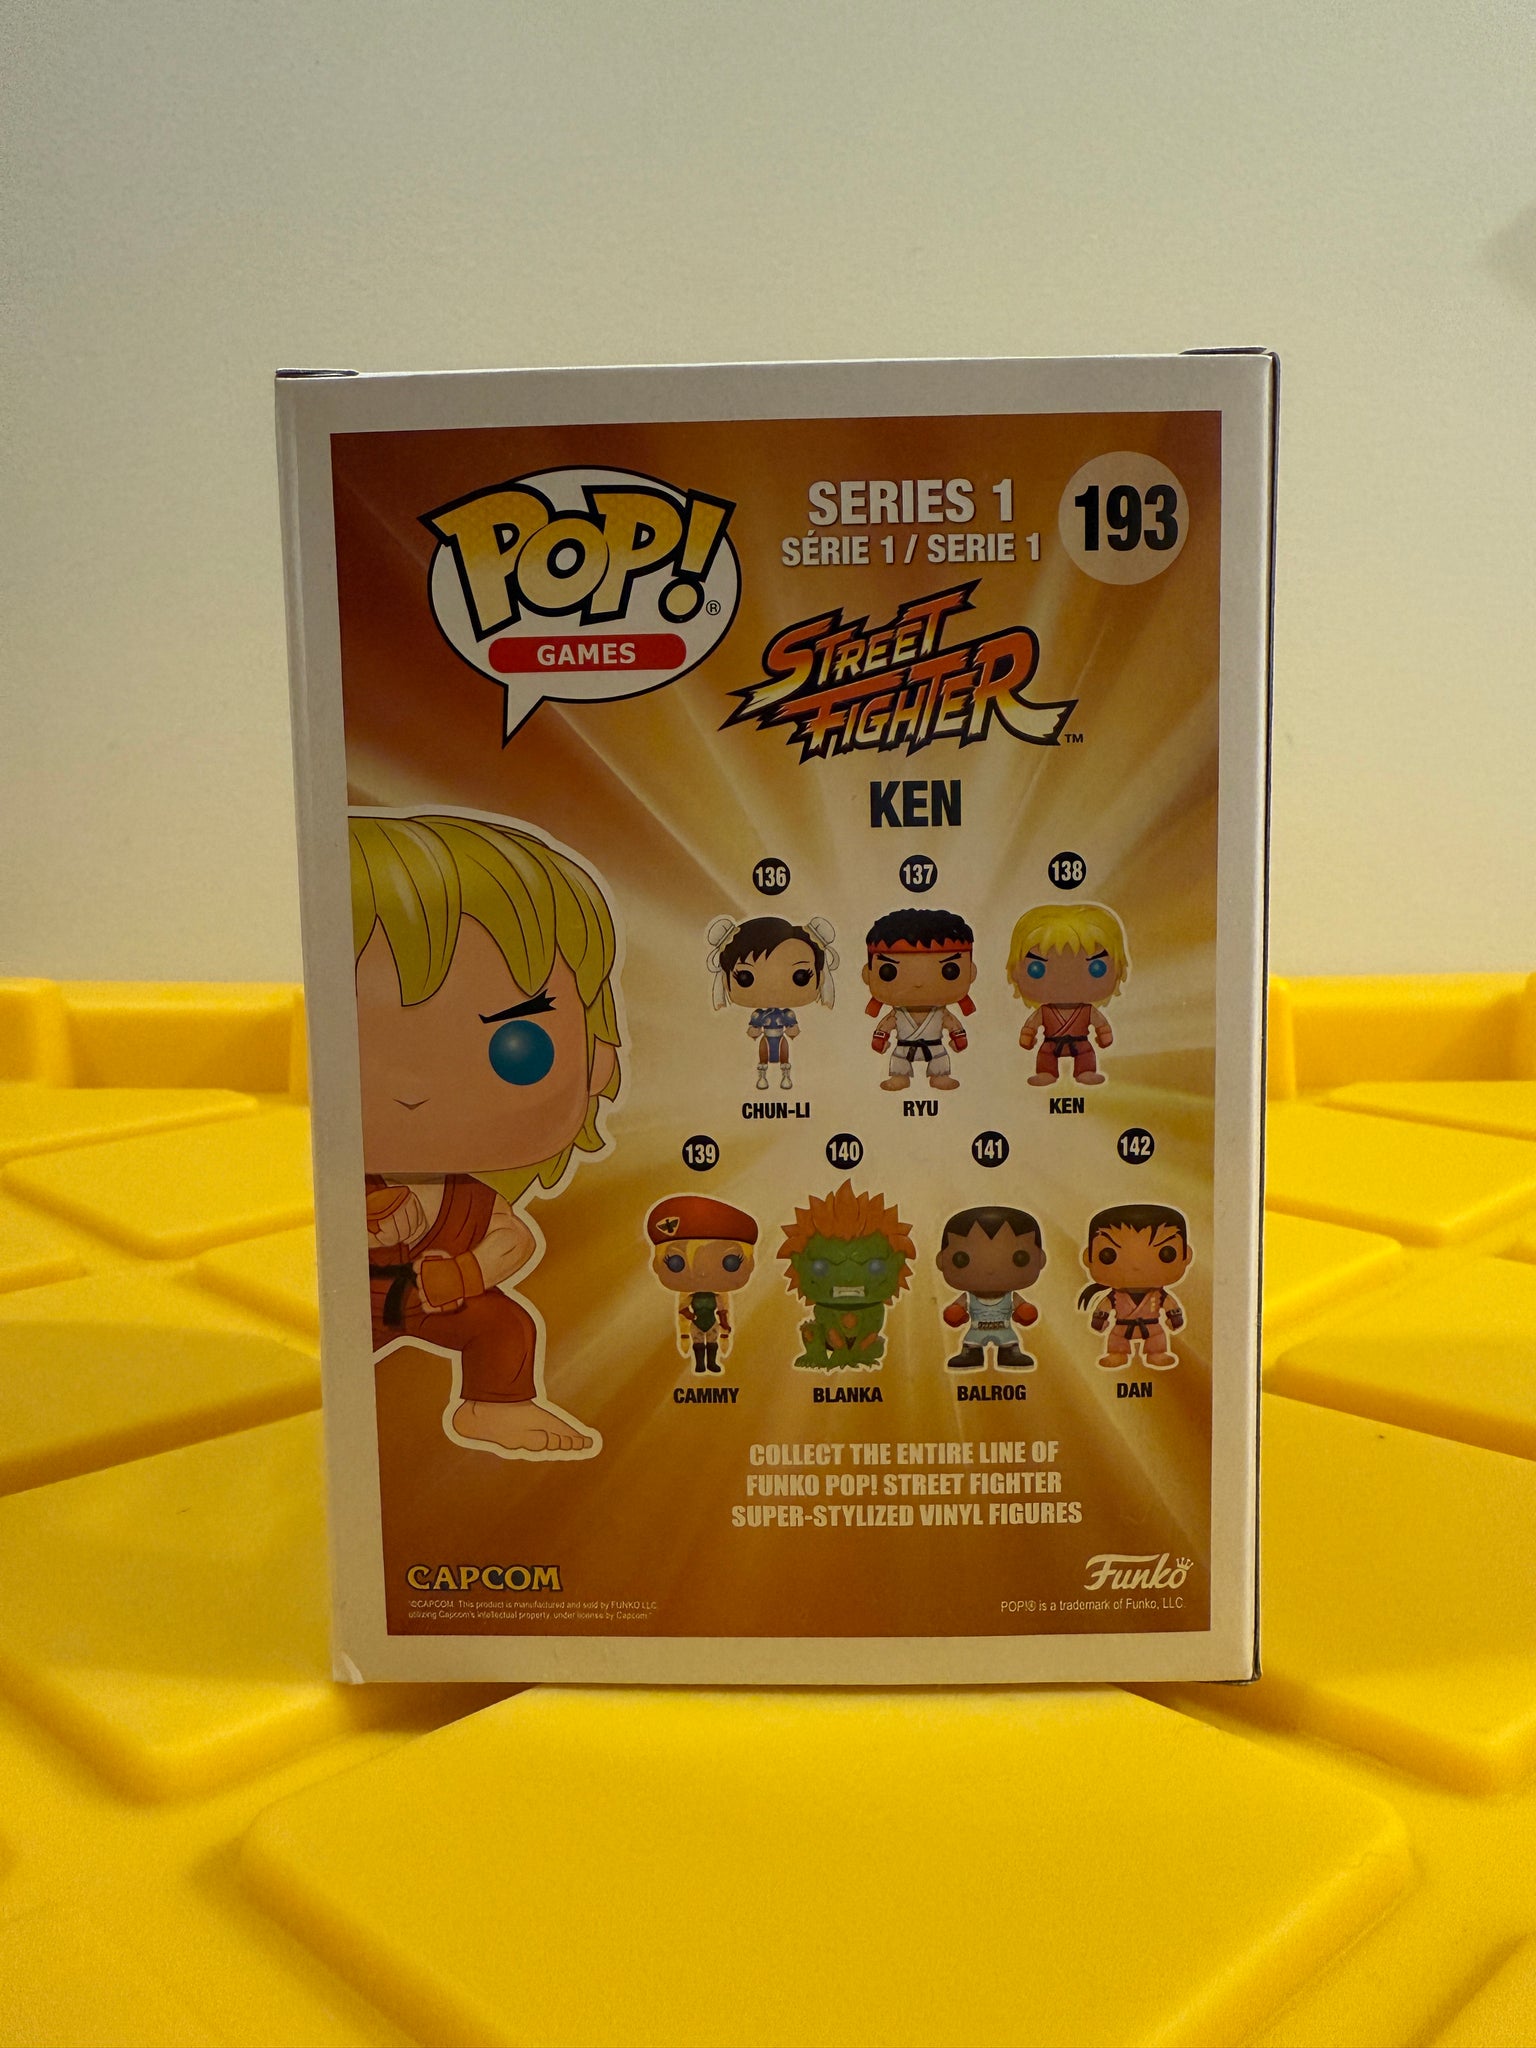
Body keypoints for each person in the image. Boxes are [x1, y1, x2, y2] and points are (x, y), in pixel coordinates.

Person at [352, 810, 621, 1457]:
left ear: (598, 1060)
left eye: (515, 1043)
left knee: (506, 1325)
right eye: (353, 1044)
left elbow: (513, 1239)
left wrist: (467, 1274)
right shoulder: (336, 1181)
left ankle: (496, 1405)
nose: (412, 1087)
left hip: (440, 1301)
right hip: (351, 1300)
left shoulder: (469, 1198)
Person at [706, 914, 836, 1091]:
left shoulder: (787, 1014)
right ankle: (763, 1077)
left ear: (820, 977)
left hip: (781, 1039)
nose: (774, 987)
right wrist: (754, 1030)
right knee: (763, 1055)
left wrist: (792, 1028)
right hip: (765, 1039)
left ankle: (785, 1076)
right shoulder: (758, 1014)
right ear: (725, 980)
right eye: (745, 977)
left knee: (784, 1055)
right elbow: (753, 1029)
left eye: (800, 976)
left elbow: (792, 1029)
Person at [1006, 902, 1129, 1087]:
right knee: (1045, 1055)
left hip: (1081, 1042)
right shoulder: (1045, 1012)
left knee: (1086, 1054)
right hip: (1050, 1043)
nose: (1065, 980)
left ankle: (1085, 1071)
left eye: (1096, 968)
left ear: (1117, 969)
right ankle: (1046, 1071)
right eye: (1037, 968)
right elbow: (1032, 1025)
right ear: (1016, 971)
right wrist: (1027, 1035)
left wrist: (1104, 1034)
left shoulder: (1087, 1011)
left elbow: (1100, 1023)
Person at [861, 908, 977, 1092]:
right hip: (904, 1046)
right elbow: (887, 1024)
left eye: (950, 970)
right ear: (868, 974)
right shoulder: (898, 1013)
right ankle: (899, 1077)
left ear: (971, 972)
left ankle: (940, 1076)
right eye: (889, 971)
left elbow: (952, 1023)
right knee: (899, 1060)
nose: (918, 983)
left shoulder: (940, 1012)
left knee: (940, 1059)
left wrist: (958, 1037)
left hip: (934, 1045)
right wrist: (880, 1038)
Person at [646, 1195, 758, 1372]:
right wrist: (688, 1320)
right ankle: (700, 1364)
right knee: (698, 1343)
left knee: (711, 1343)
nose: (702, 1273)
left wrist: (724, 1326)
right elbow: (683, 1309)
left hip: (711, 1323)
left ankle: (711, 1363)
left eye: (730, 1262)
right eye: (676, 1263)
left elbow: (722, 1310)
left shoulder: (718, 1297)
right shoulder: (691, 1297)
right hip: (698, 1324)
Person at [1077, 1203, 1192, 1371]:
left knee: (1157, 1339)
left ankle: (1157, 1353)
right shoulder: (1115, 1296)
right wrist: (1099, 1320)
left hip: (1152, 1326)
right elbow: (1104, 1308)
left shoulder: (1159, 1295)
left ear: (1186, 1256)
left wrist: (1175, 1318)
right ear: (1088, 1258)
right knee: (1117, 1340)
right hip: (1122, 1326)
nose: (1137, 1266)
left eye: (1166, 1254)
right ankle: (1117, 1353)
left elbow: (1171, 1307)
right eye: (1108, 1255)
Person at [936, 1206, 1047, 1370]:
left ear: (1040, 1259)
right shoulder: (969, 1297)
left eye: (1019, 1258)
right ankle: (971, 1354)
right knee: (971, 1343)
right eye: (962, 1259)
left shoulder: (1011, 1296)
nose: (990, 1270)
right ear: (941, 1260)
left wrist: (1025, 1311)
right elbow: (956, 1309)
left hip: (1005, 1330)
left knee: (1009, 1342)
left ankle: (1009, 1354)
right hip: (976, 1330)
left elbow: (1023, 1308)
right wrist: (955, 1313)